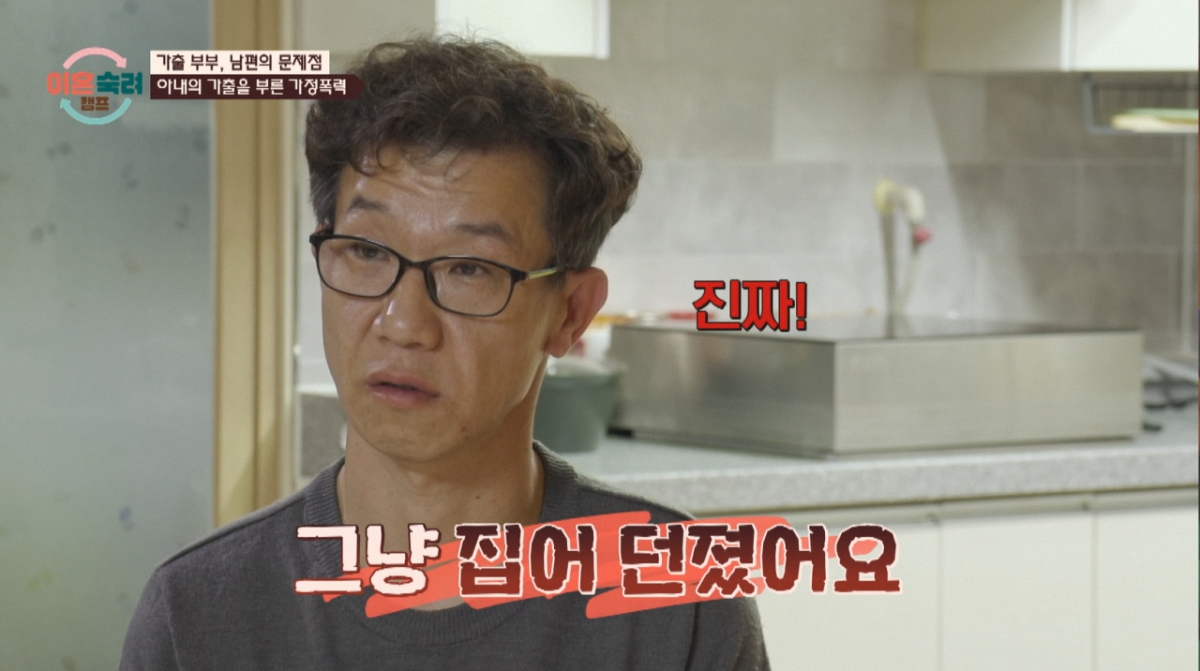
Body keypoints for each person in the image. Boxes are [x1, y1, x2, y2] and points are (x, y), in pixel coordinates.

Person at [120, 36, 768, 670]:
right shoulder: (199, 615)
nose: (403, 323)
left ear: (570, 313)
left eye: (468, 268)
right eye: (367, 251)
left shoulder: (680, 605)